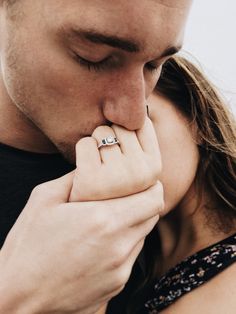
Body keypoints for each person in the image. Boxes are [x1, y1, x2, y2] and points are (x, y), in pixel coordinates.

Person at [0, 1, 193, 313]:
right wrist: (16, 299)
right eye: (94, 58)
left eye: (155, 65)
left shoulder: (182, 134)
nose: (133, 115)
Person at [106, 55, 236, 314]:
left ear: (196, 120)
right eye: (104, 141)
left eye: (137, 125)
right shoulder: (127, 262)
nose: (128, 154)